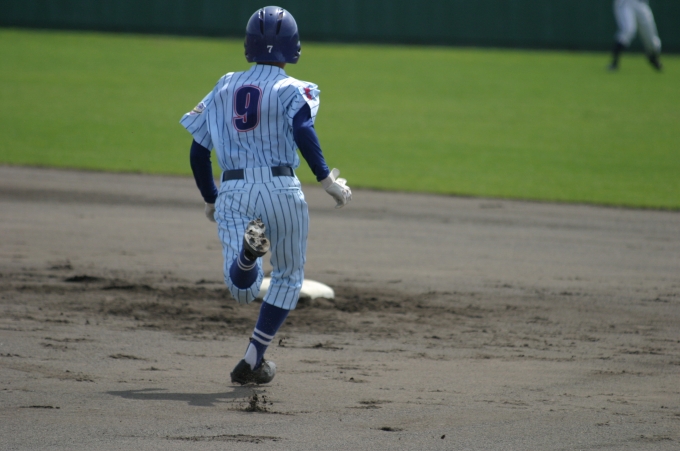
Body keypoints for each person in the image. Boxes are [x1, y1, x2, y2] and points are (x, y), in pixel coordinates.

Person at [179, 6, 352, 385]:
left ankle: (247, 258)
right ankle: (254, 356)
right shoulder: (295, 88)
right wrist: (326, 180)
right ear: (294, 47)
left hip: (235, 189)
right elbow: (303, 129)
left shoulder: (224, 85)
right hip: (282, 188)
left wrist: (211, 198)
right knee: (288, 277)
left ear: (248, 45)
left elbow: (198, 152)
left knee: (243, 290)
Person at [609, 0, 662, 71]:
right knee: (628, 30)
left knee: (652, 40)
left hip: (642, 4)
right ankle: (614, 61)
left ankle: (653, 57)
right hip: (625, 3)